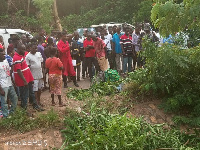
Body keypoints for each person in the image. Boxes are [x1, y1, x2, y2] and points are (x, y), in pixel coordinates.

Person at [13, 43, 44, 111]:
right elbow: (19, 71)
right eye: (23, 49)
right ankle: (24, 110)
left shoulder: (21, 56)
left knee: (31, 93)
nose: (24, 51)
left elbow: (26, 68)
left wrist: (30, 79)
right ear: (18, 49)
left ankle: (35, 106)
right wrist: (24, 81)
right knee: (25, 95)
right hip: (23, 81)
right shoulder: (16, 58)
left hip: (28, 79)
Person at [0, 48, 18, 118]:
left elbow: (9, 72)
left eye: (4, 54)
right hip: (3, 85)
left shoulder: (6, 61)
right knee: (4, 102)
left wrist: (13, 82)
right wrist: (0, 89)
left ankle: (12, 112)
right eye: (2, 55)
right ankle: (5, 116)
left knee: (14, 98)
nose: (4, 55)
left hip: (9, 83)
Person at [26, 42, 44, 107]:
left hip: (40, 74)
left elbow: (41, 63)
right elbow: (27, 68)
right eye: (34, 48)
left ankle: (39, 101)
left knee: (40, 89)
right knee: (35, 90)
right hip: (33, 76)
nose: (35, 49)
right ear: (30, 48)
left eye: (36, 48)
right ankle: (35, 103)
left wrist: (43, 73)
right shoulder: (28, 56)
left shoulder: (39, 54)